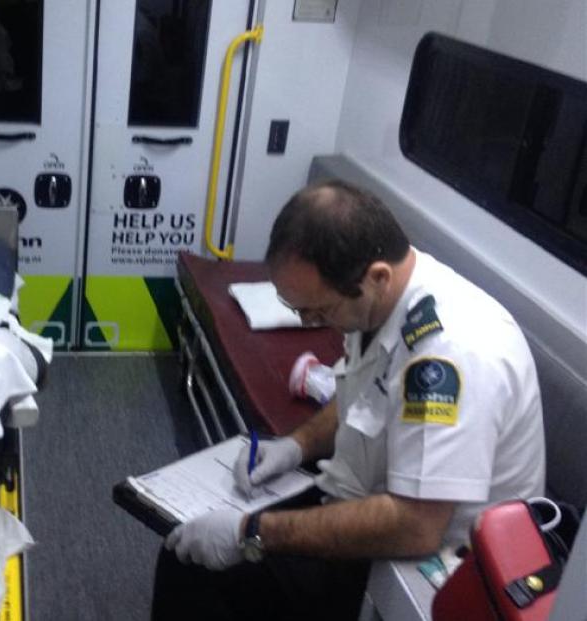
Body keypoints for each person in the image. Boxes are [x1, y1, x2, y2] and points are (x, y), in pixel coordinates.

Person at [151, 179, 546, 619]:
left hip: (425, 569)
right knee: (189, 541)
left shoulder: (450, 355)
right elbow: (361, 395)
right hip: (365, 501)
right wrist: (296, 445)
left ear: (376, 277)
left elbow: (416, 526)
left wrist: (252, 532)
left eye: (319, 311)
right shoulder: (383, 300)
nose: (308, 321)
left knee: (194, 570)